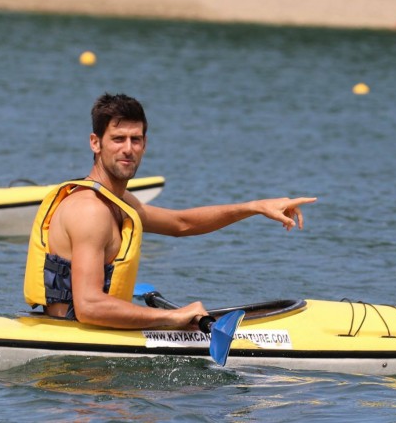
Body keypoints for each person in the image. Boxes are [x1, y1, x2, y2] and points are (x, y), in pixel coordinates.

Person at [24, 93, 316, 329]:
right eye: (118, 139)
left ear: (145, 144)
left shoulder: (120, 201)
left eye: (135, 140)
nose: (128, 148)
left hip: (88, 337)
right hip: (77, 355)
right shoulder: (90, 210)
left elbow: (181, 223)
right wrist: (171, 317)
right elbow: (89, 307)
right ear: (95, 143)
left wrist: (255, 207)